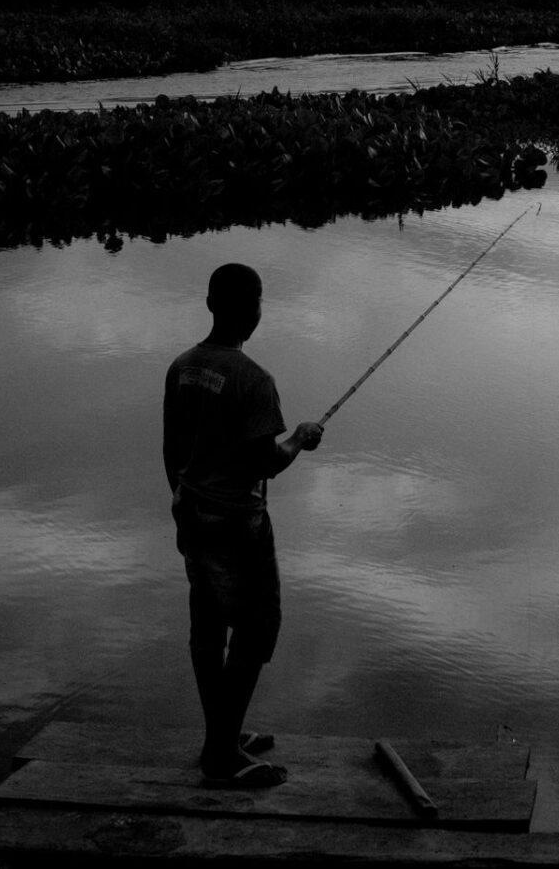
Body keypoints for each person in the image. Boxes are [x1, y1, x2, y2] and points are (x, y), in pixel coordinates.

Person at [162, 262, 324, 788]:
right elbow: (264, 462)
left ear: (211, 304)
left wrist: (184, 496)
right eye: (258, 304)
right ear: (251, 311)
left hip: (191, 514)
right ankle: (222, 754)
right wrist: (300, 437)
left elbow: (170, 448)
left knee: (208, 627)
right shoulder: (254, 380)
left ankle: (222, 737)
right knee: (256, 629)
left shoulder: (181, 367)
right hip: (238, 525)